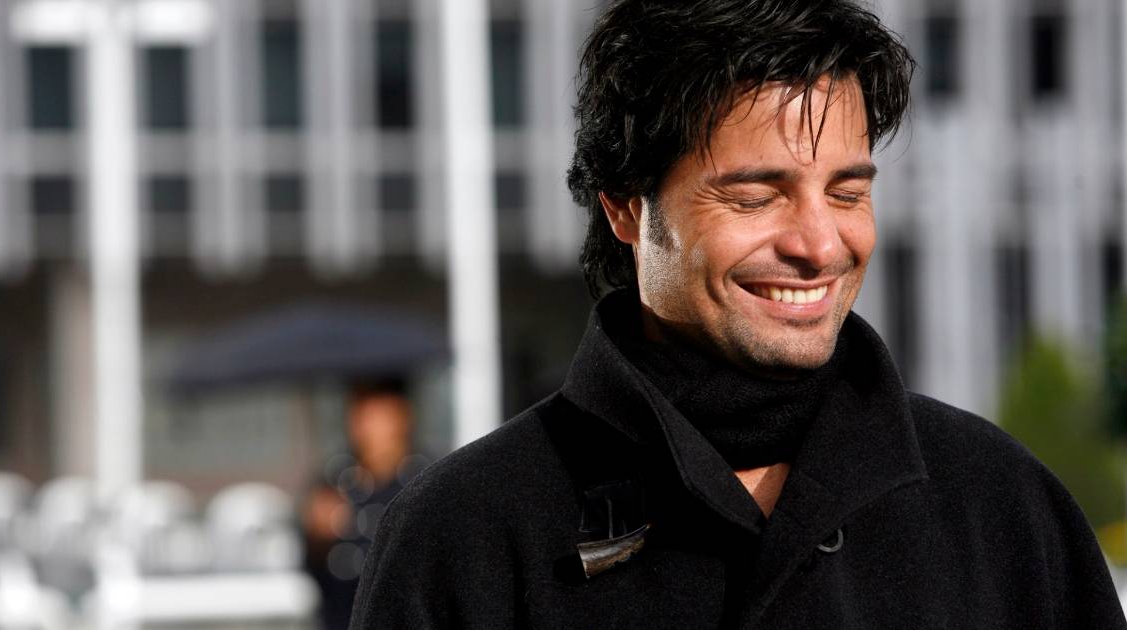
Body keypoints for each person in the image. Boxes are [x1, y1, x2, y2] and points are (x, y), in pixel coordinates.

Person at [351, 1, 1127, 627]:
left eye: (848, 193)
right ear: (626, 206)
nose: (819, 244)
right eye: (756, 197)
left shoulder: (1002, 507)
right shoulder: (465, 534)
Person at [300, 377, 427, 629]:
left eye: (377, 416)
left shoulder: (425, 481)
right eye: (359, 416)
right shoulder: (335, 480)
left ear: (402, 416)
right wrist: (316, 536)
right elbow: (314, 566)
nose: (366, 428)